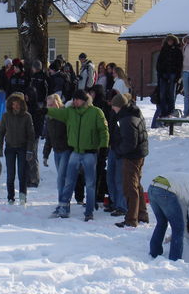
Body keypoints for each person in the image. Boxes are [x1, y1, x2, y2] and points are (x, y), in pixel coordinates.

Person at [44, 89, 109, 221]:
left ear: (84, 100)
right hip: (75, 152)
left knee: (90, 183)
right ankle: (63, 208)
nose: (74, 101)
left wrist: (103, 148)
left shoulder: (96, 112)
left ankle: (89, 212)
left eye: (77, 99)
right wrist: (45, 110)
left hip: (90, 153)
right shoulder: (70, 112)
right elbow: (58, 112)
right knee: (68, 181)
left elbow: (104, 131)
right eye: (73, 99)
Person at [110, 93, 149, 228]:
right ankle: (142, 214)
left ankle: (131, 219)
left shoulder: (126, 119)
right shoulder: (133, 113)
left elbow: (130, 142)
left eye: (114, 107)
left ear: (119, 106)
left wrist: (119, 150)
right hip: (139, 154)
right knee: (137, 184)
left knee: (130, 187)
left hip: (132, 156)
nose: (113, 109)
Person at [0, 92, 35, 205]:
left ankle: (22, 196)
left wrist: (30, 150)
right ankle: (10, 197)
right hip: (10, 147)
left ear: (22, 104)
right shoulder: (6, 116)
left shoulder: (27, 116)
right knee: (10, 174)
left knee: (22, 174)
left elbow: (31, 135)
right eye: (13, 104)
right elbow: (1, 132)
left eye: (18, 104)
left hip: (23, 148)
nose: (15, 106)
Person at [43, 94, 73, 216]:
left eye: (52, 104)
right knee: (62, 179)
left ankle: (64, 206)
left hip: (66, 150)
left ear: (58, 103)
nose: (50, 107)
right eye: (48, 105)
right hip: (57, 151)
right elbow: (48, 137)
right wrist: (46, 154)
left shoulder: (64, 115)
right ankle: (62, 204)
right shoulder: (49, 117)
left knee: (61, 179)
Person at [156, 34, 183, 118]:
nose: (170, 42)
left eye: (171, 40)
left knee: (171, 94)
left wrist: (177, 76)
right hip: (163, 74)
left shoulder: (178, 51)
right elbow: (158, 64)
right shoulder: (163, 50)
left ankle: (171, 111)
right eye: (168, 40)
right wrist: (160, 74)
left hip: (173, 74)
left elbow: (180, 65)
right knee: (162, 94)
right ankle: (163, 111)